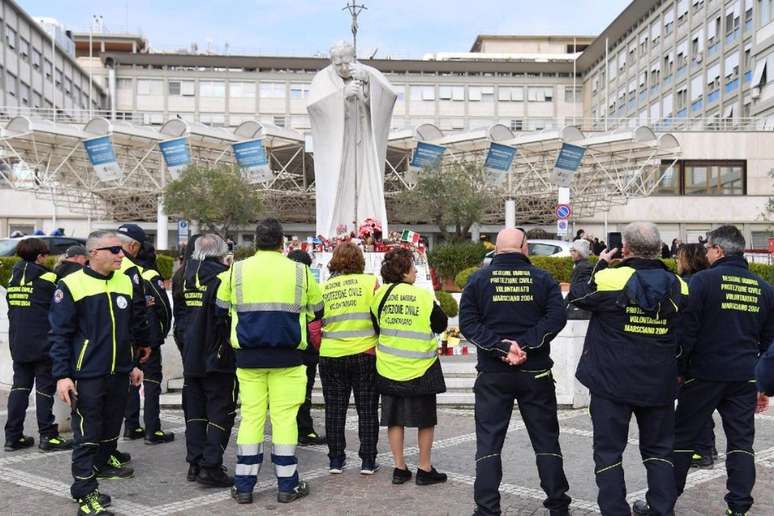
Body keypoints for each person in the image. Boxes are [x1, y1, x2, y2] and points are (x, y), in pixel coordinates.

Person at [571, 222, 688, 516]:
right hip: (659, 382)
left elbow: (578, 297)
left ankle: (614, 510)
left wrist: (595, 263)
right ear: (660, 249)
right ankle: (662, 509)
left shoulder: (610, 278)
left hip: (612, 383)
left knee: (609, 452)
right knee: (660, 451)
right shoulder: (680, 285)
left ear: (625, 248)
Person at [461, 228, 571, 516]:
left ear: (496, 250)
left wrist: (502, 347)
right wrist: (524, 344)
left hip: (492, 374)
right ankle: (558, 505)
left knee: (488, 442)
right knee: (546, 440)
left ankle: (487, 509)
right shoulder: (544, 279)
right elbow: (557, 318)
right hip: (535, 372)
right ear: (524, 248)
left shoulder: (478, 280)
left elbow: (468, 324)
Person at [216, 218, 323, 505]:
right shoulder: (300, 271)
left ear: (255, 241)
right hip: (288, 358)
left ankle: (244, 486)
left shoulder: (236, 270)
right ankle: (288, 485)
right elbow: (318, 308)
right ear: (282, 242)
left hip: (248, 358)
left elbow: (221, 309)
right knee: (284, 419)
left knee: (251, 418)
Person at [672, 225, 774, 516]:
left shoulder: (702, 282)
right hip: (744, 378)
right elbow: (769, 343)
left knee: (682, 439)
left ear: (718, 250)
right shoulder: (764, 288)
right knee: (742, 444)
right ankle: (739, 508)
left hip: (702, 375)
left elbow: (686, 332)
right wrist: (763, 385)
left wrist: (679, 370)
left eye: (707, 249)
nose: (705, 253)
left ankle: (663, 501)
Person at [49, 230, 147, 516]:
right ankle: (84, 493)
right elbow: (59, 335)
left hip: (119, 372)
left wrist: (133, 364)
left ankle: (100, 469)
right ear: (93, 253)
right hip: (87, 373)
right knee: (86, 434)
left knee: (109, 429)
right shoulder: (70, 285)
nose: (121, 255)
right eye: (114, 250)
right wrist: (63, 375)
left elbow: (129, 330)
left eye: (122, 250)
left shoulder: (125, 282)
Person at [371, 247, 448, 486]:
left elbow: (376, 326)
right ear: (404, 272)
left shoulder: (379, 296)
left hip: (389, 367)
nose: (416, 271)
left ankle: (399, 467)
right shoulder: (424, 297)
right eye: (413, 268)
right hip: (421, 368)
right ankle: (424, 469)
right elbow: (440, 324)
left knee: (394, 419)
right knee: (425, 419)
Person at [4, 238, 72, 452]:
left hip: (18, 343)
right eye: (45, 255)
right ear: (40, 256)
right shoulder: (49, 277)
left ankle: (12, 437)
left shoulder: (12, 278)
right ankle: (47, 437)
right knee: (44, 390)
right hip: (43, 343)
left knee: (20, 388)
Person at [318, 243, 380, 474]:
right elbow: (379, 316)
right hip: (365, 353)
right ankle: (368, 461)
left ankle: (335, 460)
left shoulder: (325, 287)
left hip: (332, 354)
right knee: (367, 409)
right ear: (360, 261)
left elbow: (317, 321)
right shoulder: (370, 282)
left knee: (334, 409)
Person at [182, 234, 237, 487]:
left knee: (194, 409)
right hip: (217, 353)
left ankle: (195, 462)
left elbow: (179, 316)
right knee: (220, 409)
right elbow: (224, 316)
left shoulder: (182, 274)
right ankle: (211, 465)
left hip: (190, 350)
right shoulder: (224, 276)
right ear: (221, 251)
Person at [116, 224, 174, 445]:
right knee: (151, 383)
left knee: (131, 382)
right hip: (147, 338)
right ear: (134, 246)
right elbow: (164, 308)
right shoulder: (146, 274)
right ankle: (153, 430)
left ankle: (131, 426)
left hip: (122, 339)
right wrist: (162, 333)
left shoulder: (114, 269)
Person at [675, 244, 716, 469]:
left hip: (693, 354)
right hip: (710, 351)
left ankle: (701, 451)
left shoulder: (689, 284)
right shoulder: (710, 279)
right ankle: (708, 447)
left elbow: (685, 325)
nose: (676, 262)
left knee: (692, 405)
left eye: (678, 258)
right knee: (703, 405)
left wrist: (679, 361)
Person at [286, 249, 327, 447]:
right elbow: (318, 310)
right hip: (303, 346)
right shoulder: (306, 281)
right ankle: (304, 430)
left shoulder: (279, 283)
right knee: (304, 391)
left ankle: (289, 430)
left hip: (283, 346)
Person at [567, 238, 594, 320]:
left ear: (580, 253)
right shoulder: (581, 265)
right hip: (580, 308)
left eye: (574, 251)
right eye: (571, 250)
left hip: (580, 312)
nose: (571, 253)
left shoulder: (583, 267)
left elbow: (581, 292)